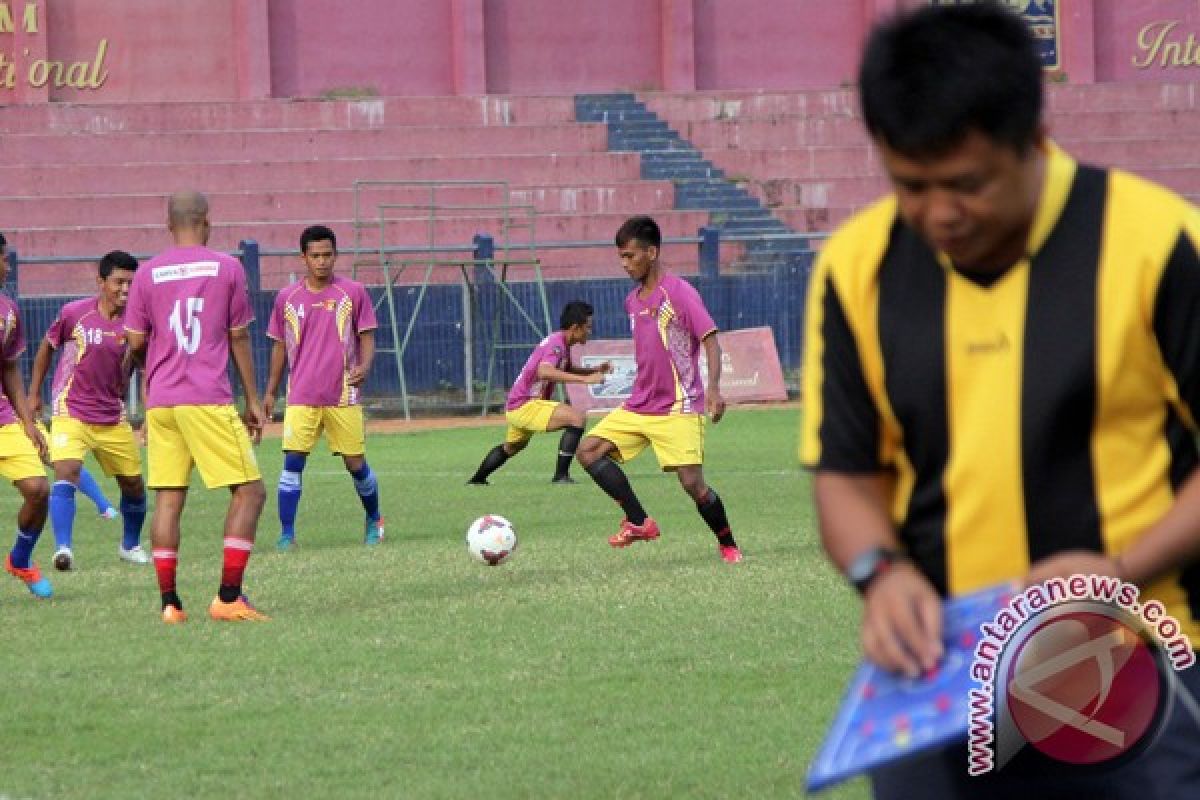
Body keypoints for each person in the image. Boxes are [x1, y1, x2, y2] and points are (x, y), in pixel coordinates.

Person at [800, 4, 1200, 797]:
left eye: (967, 184)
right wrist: (880, 573)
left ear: (1032, 140)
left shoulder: (1160, 246)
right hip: (940, 689)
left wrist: (1118, 570)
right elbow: (844, 472)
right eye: (910, 185)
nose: (940, 213)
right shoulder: (856, 270)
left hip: (1138, 664)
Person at [124, 191, 268, 624]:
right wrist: (253, 399)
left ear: (169, 224)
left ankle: (170, 605)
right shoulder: (227, 267)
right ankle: (228, 596)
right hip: (205, 396)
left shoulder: (148, 273)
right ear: (207, 220)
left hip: (162, 402)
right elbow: (239, 335)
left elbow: (133, 342)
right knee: (250, 492)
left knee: (169, 498)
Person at [576, 215, 741, 563]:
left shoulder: (679, 293)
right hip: (639, 404)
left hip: (678, 406)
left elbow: (709, 339)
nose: (624, 264)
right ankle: (639, 521)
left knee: (693, 486)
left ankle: (727, 544)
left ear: (651, 253)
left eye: (630, 256)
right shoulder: (632, 301)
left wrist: (713, 389)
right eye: (621, 257)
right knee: (588, 451)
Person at [27, 250, 148, 570]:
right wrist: (34, 394)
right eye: (119, 282)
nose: (125, 289)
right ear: (101, 281)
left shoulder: (137, 323)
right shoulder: (74, 313)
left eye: (131, 284)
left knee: (134, 486)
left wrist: (149, 415)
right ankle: (63, 548)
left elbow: (148, 367)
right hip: (71, 411)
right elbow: (46, 348)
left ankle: (130, 545)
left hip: (112, 416)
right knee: (65, 470)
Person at [263, 224, 382, 551]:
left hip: (343, 395)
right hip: (301, 395)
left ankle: (374, 519)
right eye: (315, 256)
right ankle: (287, 534)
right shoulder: (287, 298)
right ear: (303, 258)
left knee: (355, 464)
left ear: (335, 255)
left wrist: (365, 365)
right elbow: (278, 347)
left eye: (327, 255)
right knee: (292, 463)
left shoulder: (353, 293)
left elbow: (367, 334)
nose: (322, 262)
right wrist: (270, 391)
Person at [468, 301, 610, 485]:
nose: (589, 331)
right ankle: (561, 476)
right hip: (526, 404)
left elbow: (565, 367)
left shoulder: (560, 343)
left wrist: (594, 370)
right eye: (588, 327)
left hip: (518, 405)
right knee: (577, 418)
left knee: (512, 447)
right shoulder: (556, 344)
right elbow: (544, 371)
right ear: (575, 328)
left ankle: (477, 480)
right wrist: (585, 380)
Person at [0, 232, 52, 598]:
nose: (7, 265)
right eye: (4, 258)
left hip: (2, 417)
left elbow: (10, 370)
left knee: (38, 489)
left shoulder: (8, 310)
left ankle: (20, 558)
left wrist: (28, 422)